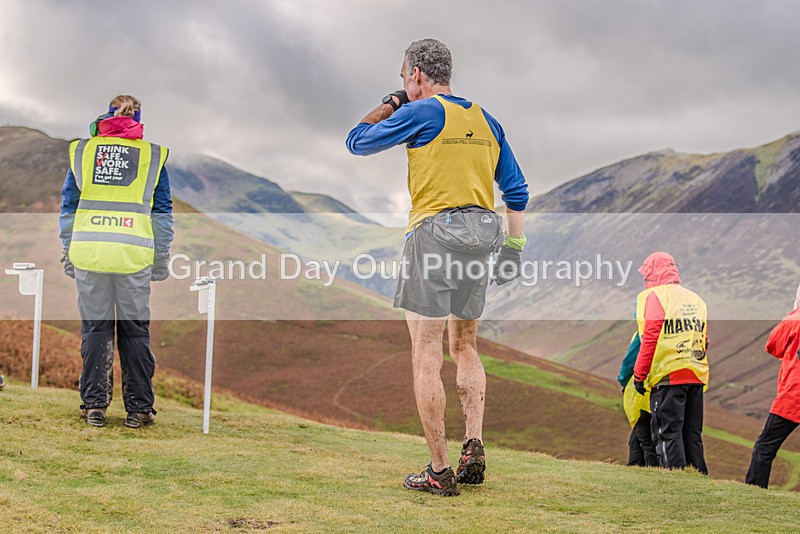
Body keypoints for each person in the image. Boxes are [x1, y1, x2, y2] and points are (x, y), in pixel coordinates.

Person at [346, 38, 529, 496]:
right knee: (464, 346)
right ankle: (474, 444)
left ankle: (440, 470)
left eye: (403, 79)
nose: (404, 85)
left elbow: (356, 142)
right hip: (483, 236)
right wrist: (514, 247)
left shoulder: (422, 111)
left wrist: (390, 103)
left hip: (433, 234)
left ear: (416, 77)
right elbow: (517, 191)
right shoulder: (488, 121)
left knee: (426, 351)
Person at [59, 95, 173, 429]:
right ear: (139, 119)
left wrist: (69, 251)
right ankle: (138, 410)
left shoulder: (84, 152)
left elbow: (68, 208)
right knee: (134, 331)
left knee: (95, 329)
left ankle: (94, 406)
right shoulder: (151, 156)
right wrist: (161, 259)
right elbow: (161, 214)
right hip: (133, 256)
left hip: (90, 253)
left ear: (106, 116)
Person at [633, 252, 709, 474]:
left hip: (668, 376)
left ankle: (675, 484)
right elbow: (705, 339)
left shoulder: (654, 296)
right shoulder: (696, 299)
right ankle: (701, 484)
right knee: (692, 435)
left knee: (668, 433)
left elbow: (650, 336)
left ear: (650, 272)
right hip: (696, 373)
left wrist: (639, 374)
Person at [745, 283, 800, 488]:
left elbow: (772, 346)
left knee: (765, 447)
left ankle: (754, 492)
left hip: (793, 396)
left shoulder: (793, 320)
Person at [618, 332, 657, 467]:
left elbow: (629, 362)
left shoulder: (643, 331)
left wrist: (623, 381)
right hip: (667, 390)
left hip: (642, 391)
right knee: (641, 438)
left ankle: (650, 471)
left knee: (644, 438)